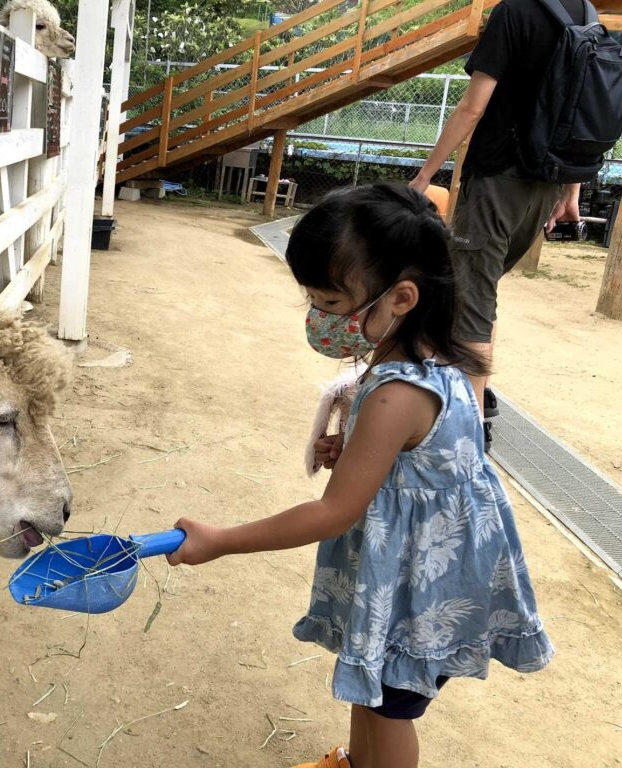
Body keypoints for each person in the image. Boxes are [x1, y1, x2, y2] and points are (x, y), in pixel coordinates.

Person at [167, 185, 554, 768]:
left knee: (391, 707)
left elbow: (334, 512)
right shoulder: (423, 355)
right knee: (369, 682)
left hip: (418, 587)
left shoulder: (400, 390)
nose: (320, 318)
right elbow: (410, 458)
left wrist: (220, 541)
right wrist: (354, 450)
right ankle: (356, 761)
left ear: (400, 298)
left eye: (330, 303)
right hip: (403, 565)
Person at [408, 0, 584, 447]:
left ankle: (469, 432)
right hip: (546, 184)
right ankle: (470, 396)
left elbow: (471, 108)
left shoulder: (515, 13)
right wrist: (571, 192)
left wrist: (426, 175)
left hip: (498, 179)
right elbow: (579, 115)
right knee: (474, 294)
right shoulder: (586, 14)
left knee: (472, 301)